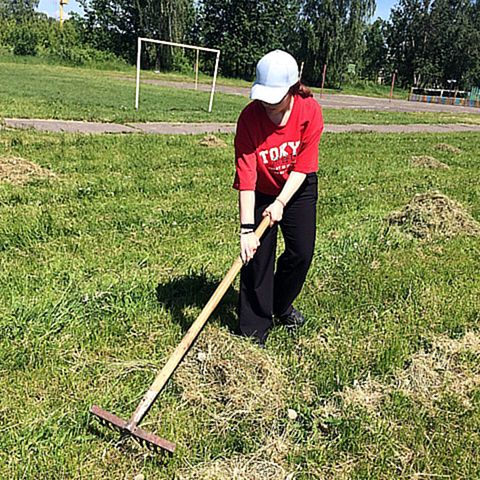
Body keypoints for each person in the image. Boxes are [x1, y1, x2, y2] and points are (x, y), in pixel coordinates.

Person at [233, 49, 324, 346]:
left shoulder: (310, 111)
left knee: (301, 253)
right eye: (263, 99)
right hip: (261, 189)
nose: (267, 106)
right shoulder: (248, 119)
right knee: (256, 259)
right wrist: (247, 230)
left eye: (274, 100)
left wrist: (281, 202)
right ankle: (253, 329)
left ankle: (280, 305)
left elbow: (303, 166)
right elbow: (246, 175)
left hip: (297, 188)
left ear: (292, 89)